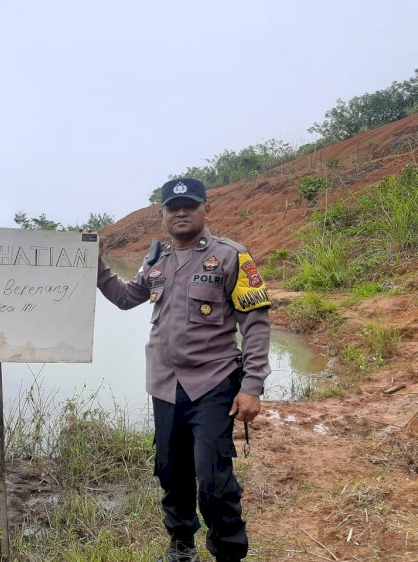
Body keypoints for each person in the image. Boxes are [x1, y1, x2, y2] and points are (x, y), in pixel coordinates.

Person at [97, 178, 271, 562]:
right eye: (173, 208)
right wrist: (96, 266)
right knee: (172, 472)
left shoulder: (231, 257)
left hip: (213, 384)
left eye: (189, 205)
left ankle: (228, 552)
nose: (181, 213)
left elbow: (255, 324)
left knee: (213, 477)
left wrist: (253, 386)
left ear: (206, 209)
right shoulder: (155, 261)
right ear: (162, 215)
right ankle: (181, 547)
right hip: (164, 386)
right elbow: (127, 298)